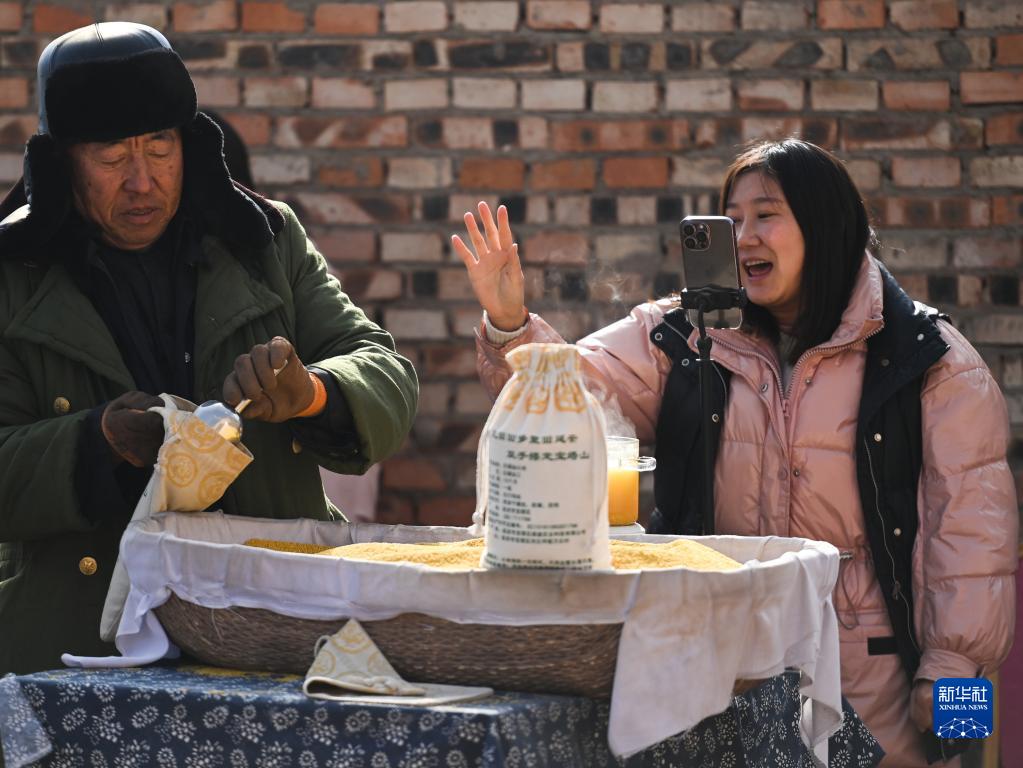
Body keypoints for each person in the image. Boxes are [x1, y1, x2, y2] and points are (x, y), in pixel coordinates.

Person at [454, 139, 1017, 766]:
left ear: (825, 225)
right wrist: (509, 322)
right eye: (733, 219)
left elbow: (972, 540)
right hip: (718, 670)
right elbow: (564, 396)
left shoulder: (927, 358)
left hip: (873, 686)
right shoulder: (687, 334)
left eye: (766, 215)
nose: (745, 237)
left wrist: (954, 705)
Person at [0, 22, 418, 675]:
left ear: (189, 144)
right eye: (111, 157)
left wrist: (312, 393)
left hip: (273, 623)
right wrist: (96, 442)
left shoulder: (266, 241)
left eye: (159, 147)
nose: (142, 181)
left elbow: (383, 369)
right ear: (61, 163)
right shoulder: (10, 278)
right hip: (80, 644)